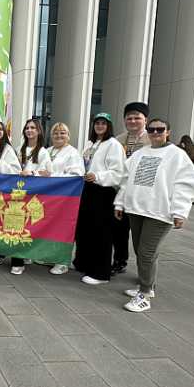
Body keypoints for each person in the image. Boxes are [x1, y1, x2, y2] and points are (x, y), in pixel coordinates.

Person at [114, 118, 194, 312]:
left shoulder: (177, 155)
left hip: (160, 212)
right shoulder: (139, 154)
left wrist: (180, 211)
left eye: (160, 129)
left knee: (146, 252)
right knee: (140, 250)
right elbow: (125, 180)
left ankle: (144, 294)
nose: (155, 133)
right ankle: (148, 285)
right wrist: (120, 203)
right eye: (151, 130)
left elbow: (187, 185)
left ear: (168, 132)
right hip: (136, 209)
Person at [73, 113, 127, 285]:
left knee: (101, 232)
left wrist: (97, 176)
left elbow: (118, 173)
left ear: (109, 126)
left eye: (103, 123)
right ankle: (83, 262)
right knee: (85, 230)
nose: (100, 126)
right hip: (87, 190)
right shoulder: (91, 143)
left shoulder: (114, 145)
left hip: (103, 192)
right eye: (97, 123)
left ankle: (100, 273)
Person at [112, 101, 151, 275]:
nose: (133, 121)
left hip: (143, 196)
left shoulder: (153, 139)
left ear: (145, 120)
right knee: (119, 231)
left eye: (137, 118)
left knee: (142, 238)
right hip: (121, 193)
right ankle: (120, 260)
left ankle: (146, 274)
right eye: (129, 118)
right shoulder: (118, 140)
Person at [11, 118, 53, 275]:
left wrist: (33, 173)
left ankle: (23, 256)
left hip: (33, 194)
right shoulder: (19, 149)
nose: (29, 130)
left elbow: (48, 173)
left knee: (27, 227)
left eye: (33, 128)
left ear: (39, 131)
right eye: (27, 128)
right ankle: (18, 260)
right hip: (18, 193)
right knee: (16, 225)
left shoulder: (43, 152)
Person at [43, 122, 84, 275]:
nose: (59, 136)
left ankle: (62, 262)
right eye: (55, 133)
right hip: (49, 197)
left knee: (63, 229)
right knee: (49, 227)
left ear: (68, 136)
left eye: (63, 133)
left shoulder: (73, 153)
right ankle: (50, 256)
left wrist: (52, 176)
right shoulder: (48, 151)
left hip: (65, 197)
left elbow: (76, 175)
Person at [0, 121, 22, 267]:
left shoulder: (7, 149)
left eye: (0, 129)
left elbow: (15, 170)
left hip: (1, 190)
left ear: (4, 132)